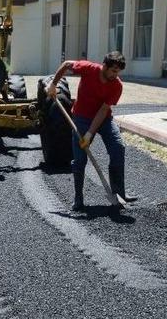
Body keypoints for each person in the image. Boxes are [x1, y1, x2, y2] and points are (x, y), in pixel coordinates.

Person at [45, 51, 137, 210]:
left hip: (104, 120)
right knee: (80, 160)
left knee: (118, 147)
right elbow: (67, 64)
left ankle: (119, 192)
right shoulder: (88, 69)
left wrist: (89, 134)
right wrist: (53, 84)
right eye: (114, 71)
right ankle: (78, 198)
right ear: (105, 66)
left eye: (118, 72)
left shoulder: (117, 85)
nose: (116, 75)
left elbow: (103, 111)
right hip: (81, 118)